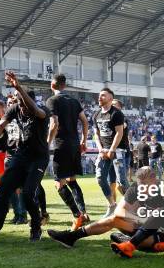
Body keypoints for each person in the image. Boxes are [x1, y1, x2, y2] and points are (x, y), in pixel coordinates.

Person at [0, 71, 49, 242]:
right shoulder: (15, 109)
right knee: (3, 190)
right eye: (16, 99)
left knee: (28, 194)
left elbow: (36, 110)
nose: (17, 103)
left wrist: (19, 87)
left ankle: (36, 226)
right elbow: (0, 126)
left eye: (20, 99)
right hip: (20, 156)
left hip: (38, 157)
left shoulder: (42, 110)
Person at [46, 74, 90, 230]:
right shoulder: (74, 101)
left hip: (61, 145)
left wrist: (47, 143)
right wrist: (84, 140)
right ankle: (83, 213)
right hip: (74, 144)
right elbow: (85, 120)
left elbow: (54, 123)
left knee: (59, 183)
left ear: (53, 85)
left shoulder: (52, 101)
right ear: (64, 86)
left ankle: (77, 216)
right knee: (72, 180)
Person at [93, 88, 129, 218]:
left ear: (110, 98)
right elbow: (96, 134)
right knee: (100, 178)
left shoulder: (116, 114)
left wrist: (112, 149)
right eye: (99, 95)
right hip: (103, 150)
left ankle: (135, 206)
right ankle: (112, 205)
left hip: (117, 150)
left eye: (103, 95)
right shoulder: (96, 114)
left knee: (122, 182)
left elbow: (119, 132)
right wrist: (100, 149)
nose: (100, 97)